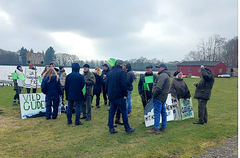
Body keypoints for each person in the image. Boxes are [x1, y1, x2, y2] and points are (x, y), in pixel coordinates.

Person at [105, 60, 135, 134]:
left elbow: (106, 84)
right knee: (124, 112)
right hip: (119, 96)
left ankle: (111, 128)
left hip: (111, 96)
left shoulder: (110, 72)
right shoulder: (122, 72)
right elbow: (123, 84)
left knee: (112, 113)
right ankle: (127, 128)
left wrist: (108, 94)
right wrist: (125, 94)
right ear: (122, 65)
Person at [146, 63, 170, 134]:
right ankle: (163, 127)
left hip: (159, 97)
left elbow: (159, 87)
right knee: (163, 112)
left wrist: (154, 95)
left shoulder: (162, 75)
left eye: (159, 67)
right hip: (163, 97)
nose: (157, 69)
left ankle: (155, 128)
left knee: (157, 113)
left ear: (163, 68)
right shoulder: (166, 75)